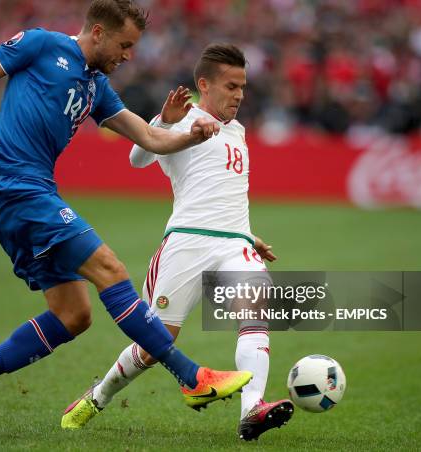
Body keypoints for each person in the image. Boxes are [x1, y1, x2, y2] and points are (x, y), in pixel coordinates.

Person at [0, 0, 251, 437]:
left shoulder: (97, 87)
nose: (128, 56)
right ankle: (192, 378)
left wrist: (187, 134)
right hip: (15, 184)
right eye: (124, 45)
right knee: (109, 268)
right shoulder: (39, 45)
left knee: (74, 315)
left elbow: (148, 137)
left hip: (32, 192)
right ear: (97, 33)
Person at [61, 44, 294, 441]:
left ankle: (252, 408)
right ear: (204, 84)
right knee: (156, 343)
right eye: (231, 86)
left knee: (256, 310)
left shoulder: (238, 131)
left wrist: (247, 234)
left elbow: (225, 192)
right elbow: (137, 159)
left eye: (243, 86)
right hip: (185, 244)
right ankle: (98, 396)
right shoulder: (182, 120)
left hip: (233, 244)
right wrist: (165, 122)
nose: (239, 94)